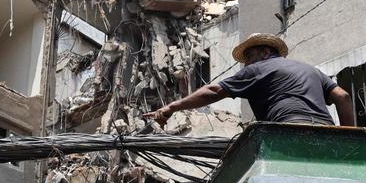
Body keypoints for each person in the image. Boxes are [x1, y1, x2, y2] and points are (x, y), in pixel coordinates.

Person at [146, 33, 355, 128]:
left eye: (249, 57)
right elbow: (343, 97)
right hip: (328, 131)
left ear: (265, 52)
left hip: (288, 132)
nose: (246, 64)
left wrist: (172, 107)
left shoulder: (258, 69)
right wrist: (348, 136)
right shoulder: (311, 69)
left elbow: (214, 91)